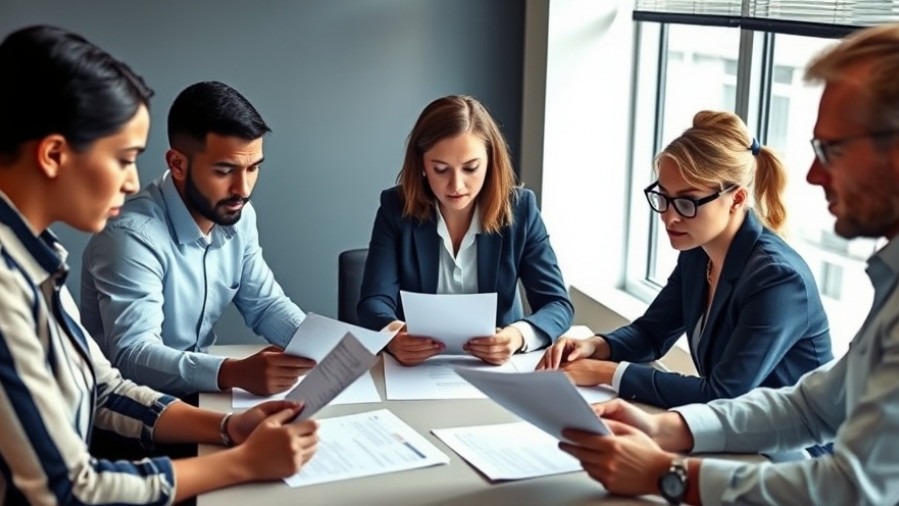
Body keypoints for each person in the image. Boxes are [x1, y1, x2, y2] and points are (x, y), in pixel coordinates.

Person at [558, 23, 899, 506]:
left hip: (790, 464)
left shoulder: (778, 278)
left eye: (832, 149)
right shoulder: (890, 284)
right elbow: (809, 407)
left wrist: (669, 475)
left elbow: (852, 488)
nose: (812, 173)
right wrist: (667, 427)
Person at [0, 25, 318, 504]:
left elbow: (103, 387)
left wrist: (231, 426)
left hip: (165, 415)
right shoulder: (11, 285)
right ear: (54, 155)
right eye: (125, 158)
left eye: (253, 169)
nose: (131, 182)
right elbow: (65, 489)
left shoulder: (38, 258)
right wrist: (241, 459)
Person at [537, 110, 833, 419]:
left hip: (793, 452)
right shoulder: (698, 252)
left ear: (736, 198)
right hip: (734, 435)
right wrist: (596, 347)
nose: (669, 216)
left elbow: (723, 393)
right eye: (663, 197)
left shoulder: (778, 279)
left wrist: (604, 372)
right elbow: (651, 334)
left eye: (687, 202)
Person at [80, 81, 314, 397]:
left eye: (252, 168)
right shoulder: (129, 236)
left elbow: (265, 305)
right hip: (131, 412)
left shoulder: (240, 215)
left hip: (203, 395)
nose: (243, 190)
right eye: (224, 171)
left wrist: (330, 349)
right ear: (177, 164)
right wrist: (232, 372)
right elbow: (133, 353)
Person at [357, 95, 573, 366]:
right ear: (422, 166)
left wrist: (517, 336)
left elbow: (557, 304)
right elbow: (373, 302)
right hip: (414, 369)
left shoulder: (522, 210)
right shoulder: (396, 208)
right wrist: (395, 336)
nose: (456, 185)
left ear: (490, 162)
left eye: (471, 168)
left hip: (497, 369)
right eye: (441, 169)